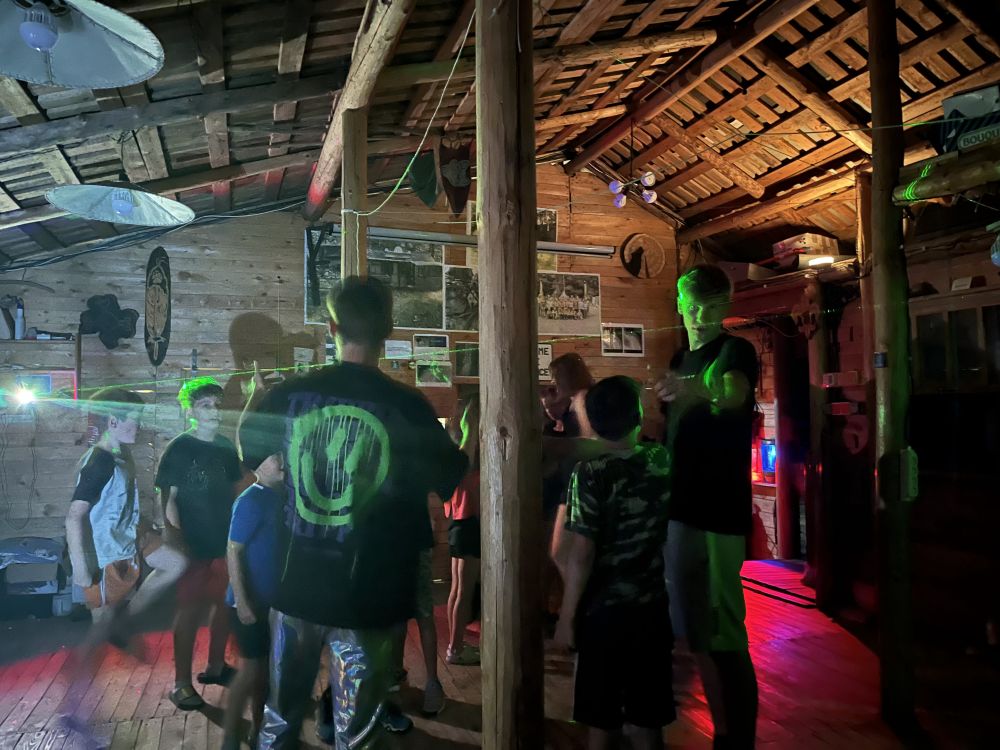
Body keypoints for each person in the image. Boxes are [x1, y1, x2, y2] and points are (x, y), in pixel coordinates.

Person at [242, 276, 468, 750]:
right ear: (388, 330)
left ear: (332, 328)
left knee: (279, 721)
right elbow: (451, 475)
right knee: (359, 735)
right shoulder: (409, 406)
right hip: (371, 596)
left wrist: (256, 398)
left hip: (298, 585)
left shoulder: (290, 394)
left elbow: (251, 451)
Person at [656, 264, 759, 749]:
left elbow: (735, 396)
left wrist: (694, 389)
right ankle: (724, 732)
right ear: (679, 303)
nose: (698, 316)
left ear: (725, 307)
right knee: (695, 631)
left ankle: (737, 738)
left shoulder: (736, 351)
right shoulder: (679, 357)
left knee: (724, 633)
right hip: (679, 508)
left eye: (709, 307)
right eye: (691, 305)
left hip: (719, 511)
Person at [554, 376, 673, 750]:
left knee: (601, 719)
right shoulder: (659, 460)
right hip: (651, 608)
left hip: (602, 614)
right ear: (637, 415)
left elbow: (581, 553)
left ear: (591, 420)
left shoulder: (589, 473)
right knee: (648, 719)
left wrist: (566, 618)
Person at [65, 387, 187, 640]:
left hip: (129, 535)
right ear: (113, 421)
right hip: (104, 552)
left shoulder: (121, 453)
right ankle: (88, 662)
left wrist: (145, 527)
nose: (139, 426)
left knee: (175, 563)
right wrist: (81, 570)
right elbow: (74, 517)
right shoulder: (100, 462)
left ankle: (128, 620)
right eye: (134, 419)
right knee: (101, 626)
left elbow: (119, 501)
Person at [156, 376, 245, 710]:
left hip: (223, 541)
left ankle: (216, 666)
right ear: (190, 411)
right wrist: (175, 538)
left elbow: (238, 489)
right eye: (205, 405)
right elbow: (168, 499)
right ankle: (181, 683)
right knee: (189, 611)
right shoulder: (179, 448)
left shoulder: (225, 447)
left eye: (216, 405)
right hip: (192, 544)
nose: (213, 411)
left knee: (223, 606)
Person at [222, 447, 283, 750]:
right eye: (275, 456)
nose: (282, 460)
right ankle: (230, 736)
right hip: (248, 602)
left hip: (272, 602)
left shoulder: (280, 496)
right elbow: (233, 550)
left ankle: (259, 730)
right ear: (258, 465)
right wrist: (242, 601)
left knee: (266, 673)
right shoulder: (251, 500)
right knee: (249, 673)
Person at [445, 395, 481, 666]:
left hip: (458, 526)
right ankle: (455, 649)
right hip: (468, 526)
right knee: (464, 591)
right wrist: (472, 427)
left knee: (457, 589)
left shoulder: (454, 456)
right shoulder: (463, 462)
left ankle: (455, 645)